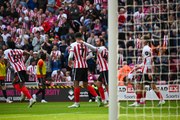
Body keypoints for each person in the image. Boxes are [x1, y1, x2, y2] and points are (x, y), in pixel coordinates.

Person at [68, 32, 101, 108]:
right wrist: (84, 59)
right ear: (81, 37)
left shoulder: (73, 45)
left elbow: (70, 56)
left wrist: (69, 62)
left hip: (77, 66)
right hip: (85, 66)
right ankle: (96, 96)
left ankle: (77, 103)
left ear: (75, 38)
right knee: (85, 84)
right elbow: (91, 55)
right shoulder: (85, 45)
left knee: (76, 84)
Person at [129, 37, 165, 106]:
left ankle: (137, 102)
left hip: (145, 71)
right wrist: (139, 65)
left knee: (140, 86)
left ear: (145, 41)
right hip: (146, 69)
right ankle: (161, 100)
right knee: (148, 86)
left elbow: (148, 60)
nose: (141, 40)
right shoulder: (149, 48)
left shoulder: (145, 48)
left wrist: (149, 71)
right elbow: (149, 60)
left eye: (142, 39)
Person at [4, 40, 36, 108]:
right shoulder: (19, 50)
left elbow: (5, 60)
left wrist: (7, 66)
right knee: (14, 83)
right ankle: (23, 93)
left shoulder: (7, 51)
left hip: (18, 70)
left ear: (8, 45)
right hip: (23, 68)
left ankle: (30, 99)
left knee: (21, 85)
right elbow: (28, 53)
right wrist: (23, 62)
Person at [80, 38, 108, 105]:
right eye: (95, 41)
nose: (96, 42)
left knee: (107, 86)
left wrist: (84, 42)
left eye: (97, 41)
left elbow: (93, 48)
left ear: (101, 42)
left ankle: (112, 102)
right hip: (102, 70)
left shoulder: (102, 48)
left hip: (106, 69)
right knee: (98, 84)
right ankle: (103, 100)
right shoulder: (102, 50)